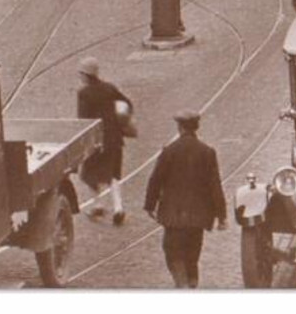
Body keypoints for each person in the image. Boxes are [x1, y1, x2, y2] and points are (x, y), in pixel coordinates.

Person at [143, 110, 226, 288]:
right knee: (192, 255)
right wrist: (222, 216)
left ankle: (182, 286)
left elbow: (155, 179)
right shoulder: (208, 152)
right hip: (198, 217)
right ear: (196, 127)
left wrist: (150, 205)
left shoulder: (169, 151)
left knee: (173, 253)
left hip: (174, 216)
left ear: (179, 128)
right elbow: (215, 186)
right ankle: (192, 283)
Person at [75, 57, 131, 225]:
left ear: (86, 75)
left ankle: (97, 205)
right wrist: (120, 120)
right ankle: (118, 208)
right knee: (114, 174)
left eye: (81, 73)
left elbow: (83, 120)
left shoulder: (84, 93)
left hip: (96, 141)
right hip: (114, 139)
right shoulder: (109, 88)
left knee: (90, 173)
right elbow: (126, 103)